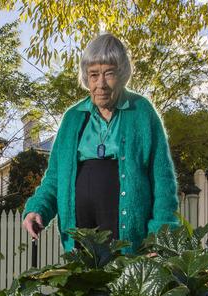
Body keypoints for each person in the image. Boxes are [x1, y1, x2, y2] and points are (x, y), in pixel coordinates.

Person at [22, 33, 179, 254]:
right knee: (83, 286)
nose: (101, 84)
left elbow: (163, 180)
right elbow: (55, 177)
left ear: (122, 74)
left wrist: (161, 236)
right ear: (86, 77)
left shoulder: (142, 112)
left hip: (129, 239)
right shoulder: (72, 118)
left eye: (109, 73)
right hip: (80, 237)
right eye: (94, 75)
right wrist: (37, 209)